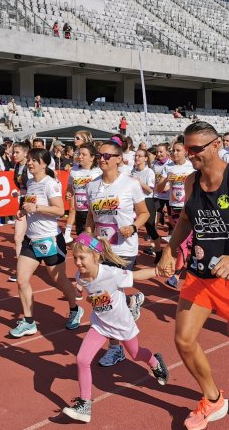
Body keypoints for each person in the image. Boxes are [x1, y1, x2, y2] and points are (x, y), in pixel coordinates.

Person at [157, 121, 229, 430]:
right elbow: (185, 219)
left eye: (196, 149)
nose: (190, 154)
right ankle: (213, 399)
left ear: (217, 144)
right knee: (183, 340)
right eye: (186, 147)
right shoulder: (191, 181)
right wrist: (170, 250)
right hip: (199, 276)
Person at [62, 234, 169, 423]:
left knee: (136, 355)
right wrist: (90, 297)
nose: (77, 263)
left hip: (122, 324)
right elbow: (95, 293)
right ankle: (84, 404)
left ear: (95, 256)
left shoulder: (111, 273)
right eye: (75, 258)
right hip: (100, 325)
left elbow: (135, 276)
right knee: (82, 359)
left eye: (82, 258)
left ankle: (155, 362)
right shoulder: (81, 275)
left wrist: (158, 271)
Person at [85, 140, 150, 367]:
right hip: (100, 249)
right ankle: (131, 301)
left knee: (108, 296)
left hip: (124, 248)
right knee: (105, 297)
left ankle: (116, 349)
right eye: (100, 155)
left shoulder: (130, 184)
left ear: (119, 159)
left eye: (107, 156)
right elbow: (90, 219)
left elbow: (144, 213)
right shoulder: (92, 186)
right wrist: (85, 242)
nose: (102, 159)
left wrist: (133, 227)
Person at [9, 148, 84, 337]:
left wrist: (37, 207)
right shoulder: (30, 183)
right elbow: (31, 206)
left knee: (59, 281)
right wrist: (23, 211)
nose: (31, 163)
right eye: (30, 160)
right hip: (31, 240)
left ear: (44, 164)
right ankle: (28, 322)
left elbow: (60, 210)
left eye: (35, 160)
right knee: (21, 280)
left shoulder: (50, 184)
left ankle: (75, 309)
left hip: (50, 239)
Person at [155, 140, 194, 288]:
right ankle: (185, 266)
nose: (174, 153)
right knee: (182, 242)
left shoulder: (191, 167)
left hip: (188, 209)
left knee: (182, 242)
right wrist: (166, 179)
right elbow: (159, 189)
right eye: (173, 150)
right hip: (173, 208)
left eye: (178, 150)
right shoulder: (168, 167)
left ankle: (176, 275)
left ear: (185, 152)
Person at [64, 131, 96, 244]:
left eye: (77, 138)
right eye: (79, 154)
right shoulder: (75, 169)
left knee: (90, 238)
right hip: (80, 206)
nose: (80, 157)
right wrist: (69, 191)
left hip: (93, 209)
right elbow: (71, 183)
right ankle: (68, 234)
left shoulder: (98, 171)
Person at [9, 141, 33, 283]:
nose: (14, 155)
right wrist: (19, 193)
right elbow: (23, 186)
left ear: (25, 153)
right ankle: (21, 269)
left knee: (34, 236)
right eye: (13, 152)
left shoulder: (31, 165)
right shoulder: (17, 166)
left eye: (17, 152)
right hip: (23, 203)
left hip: (35, 204)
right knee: (18, 237)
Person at [132, 148, 161, 259]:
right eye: (136, 156)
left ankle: (158, 252)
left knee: (150, 228)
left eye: (140, 156)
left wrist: (139, 182)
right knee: (133, 227)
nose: (137, 158)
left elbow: (150, 190)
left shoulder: (149, 172)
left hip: (146, 200)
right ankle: (132, 255)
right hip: (134, 201)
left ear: (145, 158)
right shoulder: (133, 171)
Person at [152, 143, 173, 245]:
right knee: (156, 214)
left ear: (166, 152)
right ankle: (154, 236)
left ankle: (171, 235)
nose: (159, 154)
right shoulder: (154, 164)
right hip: (157, 195)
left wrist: (167, 187)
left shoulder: (170, 164)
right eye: (157, 152)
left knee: (170, 216)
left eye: (161, 152)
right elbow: (153, 179)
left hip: (169, 195)